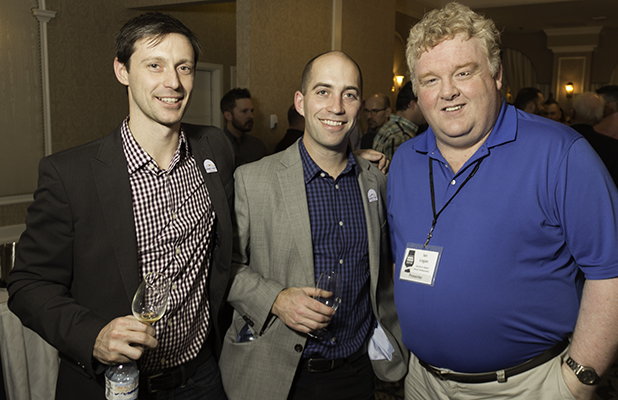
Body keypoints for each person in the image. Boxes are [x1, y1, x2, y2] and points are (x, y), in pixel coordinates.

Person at [387, 3, 618, 400]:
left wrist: (577, 379)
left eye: (463, 72)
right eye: (430, 79)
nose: (448, 91)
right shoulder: (405, 160)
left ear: (495, 76)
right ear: (417, 91)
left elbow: (617, 272)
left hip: (523, 387)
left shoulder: (560, 153)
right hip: (422, 381)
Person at [7, 12, 234, 399]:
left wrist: (349, 158)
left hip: (201, 377)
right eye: (154, 65)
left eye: (184, 67)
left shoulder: (214, 148)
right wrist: (92, 335)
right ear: (122, 70)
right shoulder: (71, 174)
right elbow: (28, 284)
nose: (173, 83)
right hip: (116, 385)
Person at [219, 50, 408, 400]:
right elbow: (223, 268)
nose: (336, 106)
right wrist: (275, 299)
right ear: (301, 102)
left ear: (359, 106)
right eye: (323, 91)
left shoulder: (375, 182)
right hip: (278, 376)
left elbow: (384, 273)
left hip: (357, 372)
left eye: (349, 94)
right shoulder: (252, 180)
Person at [570, 92, 618, 202]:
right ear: (599, 117)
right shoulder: (613, 146)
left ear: (573, 113)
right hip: (600, 209)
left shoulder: (556, 140)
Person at [372, 81, 426, 162]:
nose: (427, 111)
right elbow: (398, 172)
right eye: (423, 105)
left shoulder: (391, 127)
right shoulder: (400, 135)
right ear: (412, 105)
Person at [220, 87, 267, 165]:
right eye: (244, 111)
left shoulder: (258, 146)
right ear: (228, 116)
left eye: (251, 111)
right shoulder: (218, 145)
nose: (251, 116)